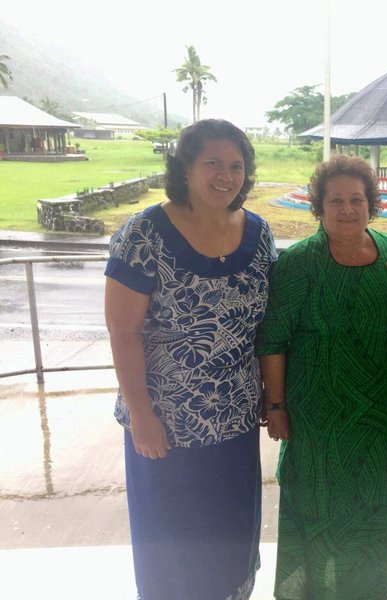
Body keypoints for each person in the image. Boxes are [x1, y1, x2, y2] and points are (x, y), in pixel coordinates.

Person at [104, 118, 276, 600]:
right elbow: (122, 330)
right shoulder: (144, 234)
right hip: (166, 424)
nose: (226, 176)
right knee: (173, 545)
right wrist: (141, 415)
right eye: (213, 164)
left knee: (229, 538)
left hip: (236, 420)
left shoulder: (259, 235)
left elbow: (265, 326)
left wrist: (271, 396)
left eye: (236, 166)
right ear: (184, 168)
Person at [256, 154, 387, 600]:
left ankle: (369, 589)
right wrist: (276, 405)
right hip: (318, 412)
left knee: (372, 502)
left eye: (356, 199)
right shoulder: (301, 261)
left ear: (371, 203)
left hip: (378, 411)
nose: (347, 208)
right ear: (318, 207)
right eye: (335, 200)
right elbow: (273, 339)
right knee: (320, 501)